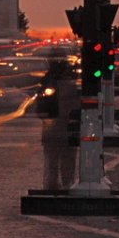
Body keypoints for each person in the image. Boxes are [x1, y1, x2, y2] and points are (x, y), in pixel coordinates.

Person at [37, 47, 81, 191]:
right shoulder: (71, 80)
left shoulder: (47, 81)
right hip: (67, 127)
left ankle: (52, 187)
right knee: (67, 162)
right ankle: (65, 186)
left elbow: (41, 108)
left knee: (52, 163)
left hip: (53, 128)